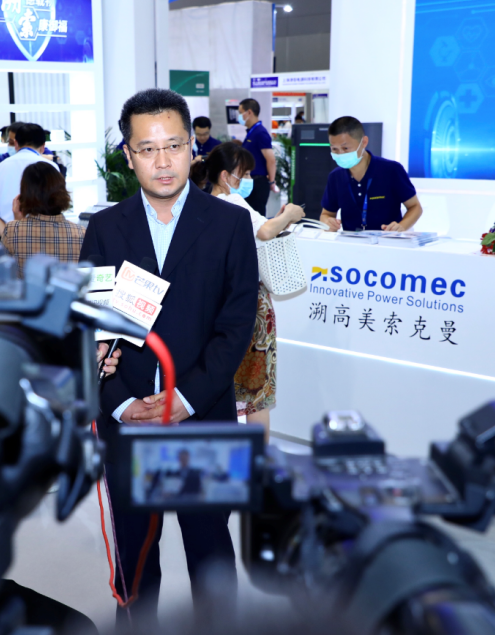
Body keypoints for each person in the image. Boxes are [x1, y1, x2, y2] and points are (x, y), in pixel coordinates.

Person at [79, 88, 258, 630]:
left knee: (210, 556)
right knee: (135, 564)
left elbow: (235, 327)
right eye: (148, 148)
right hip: (128, 422)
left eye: (174, 145)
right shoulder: (105, 228)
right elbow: (89, 328)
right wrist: (119, 403)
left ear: (192, 148)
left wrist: (185, 399)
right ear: (128, 155)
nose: (163, 161)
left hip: (201, 417)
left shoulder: (229, 224)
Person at [191, 142, 305, 440]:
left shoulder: (200, 204)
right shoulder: (234, 202)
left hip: (215, 305)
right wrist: (289, 214)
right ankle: (258, 460)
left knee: (220, 383)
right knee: (258, 392)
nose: (249, 179)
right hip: (249, 307)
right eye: (245, 174)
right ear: (226, 176)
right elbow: (265, 231)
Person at [320, 116, 423, 232]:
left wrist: (402, 226)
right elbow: (326, 214)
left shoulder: (392, 170)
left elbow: (415, 207)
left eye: (345, 148)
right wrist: (327, 223)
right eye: (334, 149)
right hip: (350, 241)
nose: (340, 154)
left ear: (364, 142)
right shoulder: (335, 177)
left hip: (388, 240)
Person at [2, 161, 84, 277]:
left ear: (25, 194)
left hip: (28, 289)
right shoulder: (81, 233)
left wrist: (18, 220)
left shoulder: (12, 230)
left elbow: (5, 275)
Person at [0, 123, 59, 239]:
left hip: (7, 237)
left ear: (16, 144)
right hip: (45, 237)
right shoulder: (51, 167)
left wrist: (10, 237)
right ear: (43, 146)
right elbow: (56, 205)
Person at [236, 98, 276, 217]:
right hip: (250, 181)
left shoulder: (260, 133)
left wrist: (271, 181)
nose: (239, 116)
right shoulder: (252, 132)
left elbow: (271, 159)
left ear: (249, 112)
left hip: (258, 183)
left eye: (240, 112)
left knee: (257, 216)